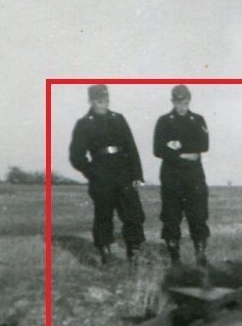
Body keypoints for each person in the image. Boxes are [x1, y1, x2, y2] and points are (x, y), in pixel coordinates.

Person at [68, 84, 146, 264]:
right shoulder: (84, 123)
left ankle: (134, 253)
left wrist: (136, 175)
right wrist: (91, 172)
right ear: (91, 101)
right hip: (100, 173)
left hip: (123, 171)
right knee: (104, 214)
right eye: (99, 101)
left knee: (133, 213)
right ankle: (105, 253)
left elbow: (131, 148)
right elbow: (76, 156)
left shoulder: (118, 119)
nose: (103, 105)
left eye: (106, 101)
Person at [153, 84, 210, 265]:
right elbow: (157, 149)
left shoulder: (198, 119)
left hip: (194, 177)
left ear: (189, 101)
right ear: (172, 102)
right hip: (172, 176)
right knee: (171, 216)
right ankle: (174, 257)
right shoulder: (164, 121)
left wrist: (176, 147)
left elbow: (204, 146)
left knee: (198, 215)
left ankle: (200, 255)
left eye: (184, 103)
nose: (181, 107)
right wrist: (184, 153)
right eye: (178, 103)